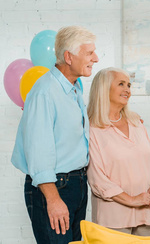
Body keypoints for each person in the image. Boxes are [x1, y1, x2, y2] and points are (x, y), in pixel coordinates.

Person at [11, 26, 99, 244]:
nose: (95, 58)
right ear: (68, 57)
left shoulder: (74, 89)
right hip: (55, 187)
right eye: (89, 53)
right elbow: (38, 152)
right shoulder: (45, 92)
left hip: (76, 183)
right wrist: (53, 199)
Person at [86, 67, 150, 236]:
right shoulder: (92, 128)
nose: (127, 90)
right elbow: (97, 178)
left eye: (129, 85)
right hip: (113, 219)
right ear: (104, 88)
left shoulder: (136, 122)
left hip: (146, 213)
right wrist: (132, 200)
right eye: (121, 84)